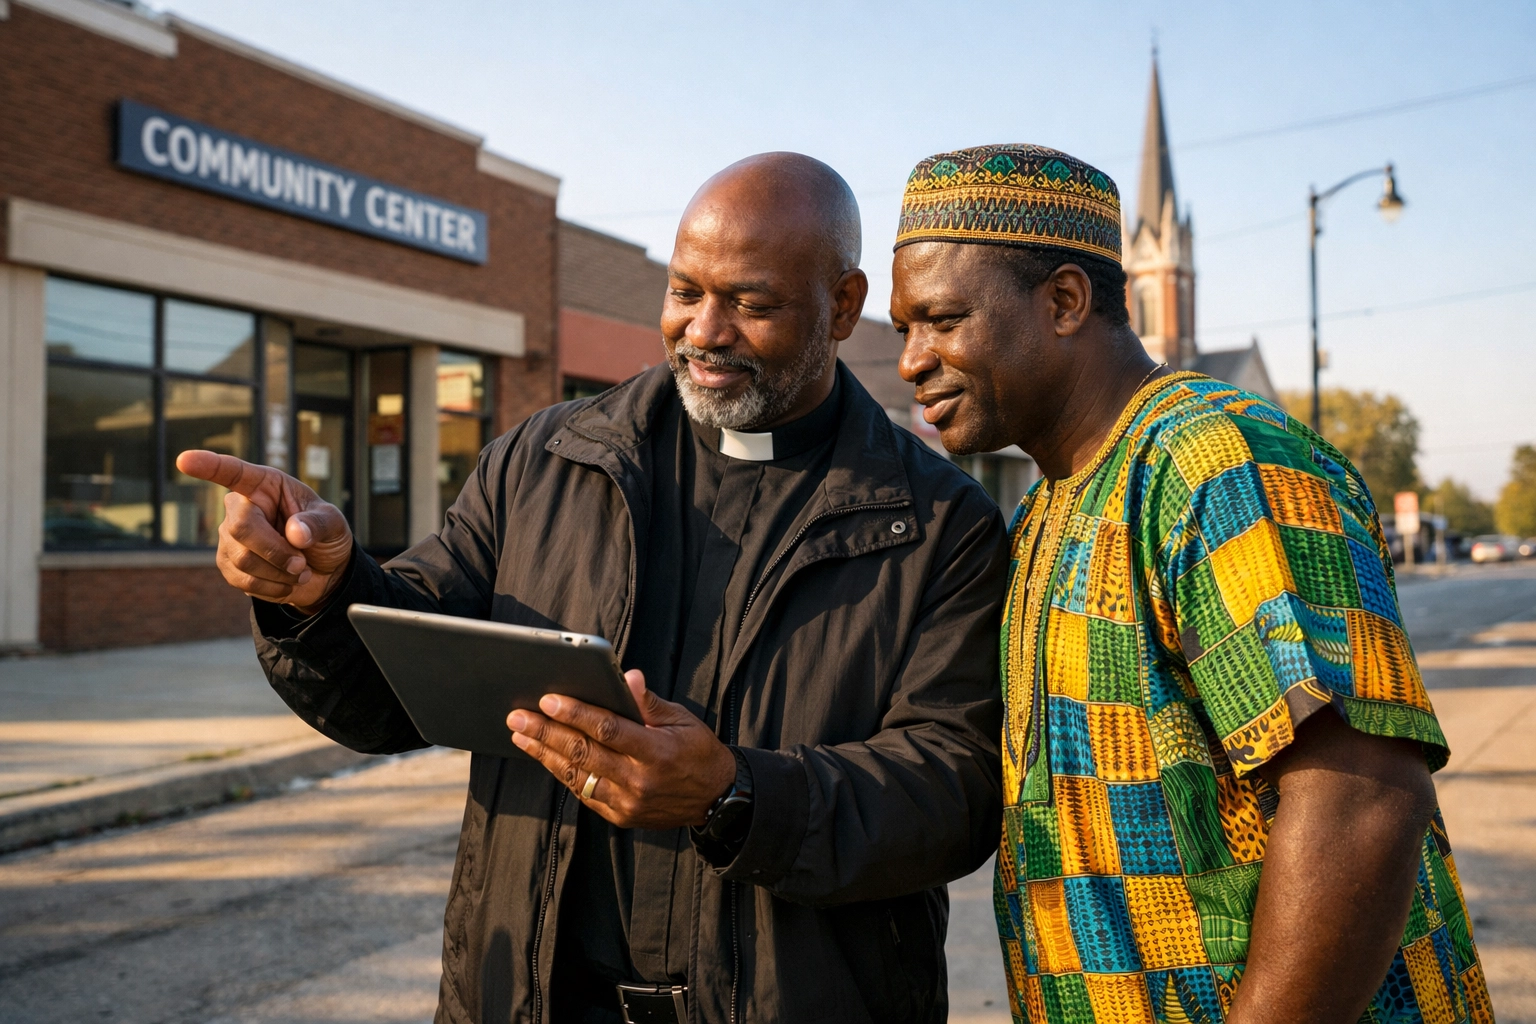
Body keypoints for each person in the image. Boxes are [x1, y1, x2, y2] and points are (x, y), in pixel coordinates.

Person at [178, 152, 1009, 1024]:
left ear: (843, 305)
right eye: (686, 292)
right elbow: (396, 690)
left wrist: (735, 797)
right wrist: (319, 592)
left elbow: (953, 790)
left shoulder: (941, 522)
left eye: (751, 304)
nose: (705, 331)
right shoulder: (544, 461)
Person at [888, 144, 1493, 1024]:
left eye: (942, 320)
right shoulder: (1050, 509)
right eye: (906, 328)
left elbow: (1358, 801)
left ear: (1064, 301)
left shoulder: (1220, 466)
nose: (911, 360)